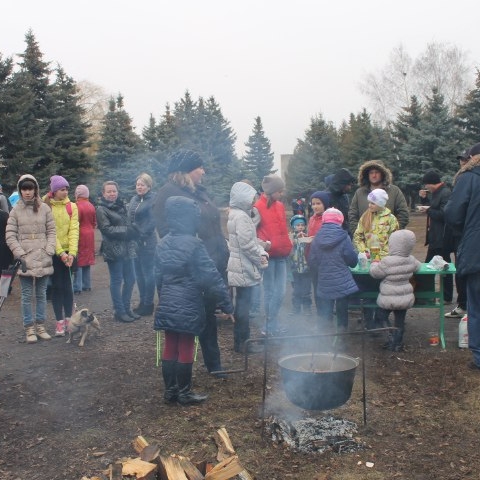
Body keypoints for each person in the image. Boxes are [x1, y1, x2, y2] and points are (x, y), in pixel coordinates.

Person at [154, 150, 230, 377]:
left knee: (208, 317)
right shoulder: (168, 194)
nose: (203, 171)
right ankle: (180, 377)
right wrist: (193, 264)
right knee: (184, 324)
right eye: (200, 167)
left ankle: (213, 365)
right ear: (186, 170)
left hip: (210, 262)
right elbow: (170, 236)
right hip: (188, 272)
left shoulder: (199, 192)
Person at [155, 196, 234, 405]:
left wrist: (163, 298)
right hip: (189, 301)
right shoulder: (195, 244)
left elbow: (157, 276)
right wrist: (227, 304)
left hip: (168, 301)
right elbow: (212, 277)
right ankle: (184, 393)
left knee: (171, 344)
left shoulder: (162, 243)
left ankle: (170, 391)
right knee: (187, 345)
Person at [6, 175, 56, 343]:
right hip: (25, 259)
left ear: (35, 189)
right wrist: (19, 253)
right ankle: (29, 328)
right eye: (24, 189)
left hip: (43, 256)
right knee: (27, 295)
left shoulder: (45, 209)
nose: (27, 192)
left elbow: (51, 231)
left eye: (30, 188)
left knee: (41, 294)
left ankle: (41, 326)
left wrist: (49, 249)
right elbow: (10, 235)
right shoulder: (15, 210)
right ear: (20, 190)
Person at [445, 142, 480, 370]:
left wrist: (466, 233)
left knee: (476, 304)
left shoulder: (469, 178)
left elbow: (454, 213)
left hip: (477, 251)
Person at [227, 182, 269, 352]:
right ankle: (244, 344)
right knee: (244, 308)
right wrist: (260, 259)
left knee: (241, 307)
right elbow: (247, 245)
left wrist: (263, 246)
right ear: (243, 198)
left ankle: (239, 342)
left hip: (238, 265)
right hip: (244, 267)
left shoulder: (234, 214)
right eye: (251, 197)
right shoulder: (243, 217)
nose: (254, 200)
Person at [353, 188, 399, 330]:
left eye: (373, 203)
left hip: (385, 261)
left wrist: (387, 254)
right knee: (368, 291)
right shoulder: (365, 217)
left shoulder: (390, 219)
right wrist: (363, 250)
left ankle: (380, 318)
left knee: (383, 291)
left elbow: (396, 239)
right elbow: (358, 236)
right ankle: (368, 320)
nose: (369, 205)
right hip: (368, 262)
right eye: (369, 203)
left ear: (381, 203)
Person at [370, 230, 421, 351]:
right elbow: (419, 267)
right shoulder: (411, 260)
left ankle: (390, 339)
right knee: (400, 322)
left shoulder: (387, 261)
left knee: (381, 316)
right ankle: (398, 344)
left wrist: (374, 263)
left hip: (387, 297)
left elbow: (375, 273)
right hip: (404, 298)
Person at [308, 208, 358, 333]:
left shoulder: (317, 238)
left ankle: (325, 335)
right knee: (342, 309)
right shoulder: (344, 237)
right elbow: (352, 260)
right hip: (342, 282)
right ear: (340, 221)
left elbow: (312, 261)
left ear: (324, 221)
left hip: (324, 281)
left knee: (326, 309)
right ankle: (341, 333)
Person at [254, 174, 292, 336]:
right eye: (279, 191)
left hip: (282, 254)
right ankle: (269, 325)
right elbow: (252, 232)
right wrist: (262, 248)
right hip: (268, 256)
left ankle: (272, 323)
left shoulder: (280, 206)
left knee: (281, 291)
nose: (281, 194)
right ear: (271, 191)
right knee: (270, 291)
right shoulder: (257, 207)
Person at [96, 181, 138, 323]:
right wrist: (127, 231)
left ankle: (126, 308)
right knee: (117, 280)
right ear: (103, 193)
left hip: (127, 248)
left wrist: (134, 229)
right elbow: (106, 229)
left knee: (131, 279)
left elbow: (128, 223)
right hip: (113, 249)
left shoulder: (122, 205)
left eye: (114, 191)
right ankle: (119, 311)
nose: (112, 194)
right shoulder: (101, 209)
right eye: (109, 191)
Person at [43, 175, 79, 337]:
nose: (65, 192)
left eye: (66, 189)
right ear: (54, 191)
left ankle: (69, 320)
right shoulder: (46, 207)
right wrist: (61, 253)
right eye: (62, 189)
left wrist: (72, 253)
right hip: (55, 253)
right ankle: (59, 321)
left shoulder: (72, 207)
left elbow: (74, 230)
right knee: (57, 287)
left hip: (69, 253)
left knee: (68, 287)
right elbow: (50, 232)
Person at [417, 170, 453, 304]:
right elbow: (434, 207)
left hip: (441, 237)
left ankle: (435, 296)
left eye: (426, 185)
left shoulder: (445, 193)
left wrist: (428, 210)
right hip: (436, 237)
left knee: (433, 267)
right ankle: (438, 295)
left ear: (431, 183)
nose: (426, 188)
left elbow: (444, 214)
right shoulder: (438, 193)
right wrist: (424, 200)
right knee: (437, 266)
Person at [348, 160, 409, 235]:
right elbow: (352, 214)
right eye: (371, 173)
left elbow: (403, 213)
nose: (374, 175)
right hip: (365, 239)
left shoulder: (394, 191)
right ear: (367, 175)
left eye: (377, 172)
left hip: (389, 240)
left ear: (383, 174)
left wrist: (394, 232)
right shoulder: (359, 193)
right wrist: (358, 233)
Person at [444, 150, 470, 318]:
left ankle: (464, 306)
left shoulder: (466, 179)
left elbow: (453, 211)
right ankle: (463, 304)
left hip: (465, 235)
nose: (461, 162)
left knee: (464, 271)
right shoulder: (463, 178)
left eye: (465, 159)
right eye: (460, 159)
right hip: (463, 234)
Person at [128, 173, 157, 316]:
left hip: (147, 242)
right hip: (134, 242)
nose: (139, 187)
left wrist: (141, 235)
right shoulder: (134, 199)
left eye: (142, 185)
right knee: (138, 274)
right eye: (138, 184)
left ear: (149, 186)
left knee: (148, 274)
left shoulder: (152, 200)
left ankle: (148, 303)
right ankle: (142, 301)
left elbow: (152, 222)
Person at [73, 185, 96, 294]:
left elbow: (75, 222)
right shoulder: (91, 205)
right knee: (87, 260)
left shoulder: (77, 206)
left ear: (78, 194)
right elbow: (94, 222)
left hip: (80, 234)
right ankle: (87, 285)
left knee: (79, 260)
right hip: (90, 234)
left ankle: (77, 286)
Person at [288, 214, 311, 316]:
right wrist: (295, 241)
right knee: (296, 291)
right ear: (293, 226)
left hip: (306, 269)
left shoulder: (308, 236)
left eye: (302, 225)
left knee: (306, 291)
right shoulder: (290, 237)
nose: (300, 227)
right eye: (298, 225)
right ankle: (296, 309)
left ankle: (307, 309)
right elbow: (289, 251)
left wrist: (307, 240)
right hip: (295, 269)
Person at [325, 168, 356, 234]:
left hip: (344, 232)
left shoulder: (344, 196)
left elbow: (346, 217)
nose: (350, 188)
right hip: (330, 234)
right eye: (349, 185)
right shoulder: (326, 196)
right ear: (343, 184)